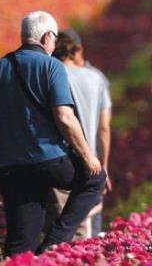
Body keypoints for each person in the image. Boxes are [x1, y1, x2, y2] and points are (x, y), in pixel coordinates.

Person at [0, 11, 106, 256]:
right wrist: (88, 156)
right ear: (46, 37)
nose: (54, 45)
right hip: (48, 160)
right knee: (94, 179)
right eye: (54, 39)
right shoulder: (51, 66)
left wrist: (11, 117)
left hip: (10, 166)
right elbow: (64, 117)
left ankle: (29, 257)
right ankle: (53, 245)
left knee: (20, 245)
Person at [46, 29, 112, 239]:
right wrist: (104, 168)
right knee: (85, 234)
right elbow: (104, 128)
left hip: (60, 163)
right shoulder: (97, 78)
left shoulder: (51, 75)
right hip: (91, 166)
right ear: (78, 50)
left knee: (59, 233)